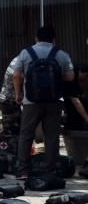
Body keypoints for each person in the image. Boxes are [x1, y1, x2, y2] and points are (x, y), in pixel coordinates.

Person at [13, 26, 75, 177]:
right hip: (54, 101)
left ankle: (24, 171)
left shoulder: (26, 53)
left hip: (31, 101)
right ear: (54, 40)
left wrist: (18, 93)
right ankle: (49, 171)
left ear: (36, 38)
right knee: (51, 136)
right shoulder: (61, 54)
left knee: (26, 135)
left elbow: (15, 75)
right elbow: (70, 77)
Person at [0, 61, 21, 136]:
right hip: (9, 101)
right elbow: (17, 76)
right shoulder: (20, 63)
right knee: (13, 132)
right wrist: (18, 94)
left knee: (10, 131)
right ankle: (13, 146)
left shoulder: (17, 60)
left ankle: (12, 145)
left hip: (7, 100)